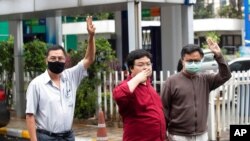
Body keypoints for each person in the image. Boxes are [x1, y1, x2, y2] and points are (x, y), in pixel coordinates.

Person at [25, 16, 96, 141]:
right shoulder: (36, 84)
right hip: (46, 137)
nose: (56, 61)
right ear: (46, 60)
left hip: (68, 136)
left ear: (65, 60)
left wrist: (91, 36)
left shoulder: (71, 76)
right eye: (53, 58)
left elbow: (89, 59)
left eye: (60, 58)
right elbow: (30, 116)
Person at [161, 39, 231, 141]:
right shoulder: (171, 82)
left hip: (201, 135)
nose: (193, 63)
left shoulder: (206, 79)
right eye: (189, 61)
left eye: (197, 61)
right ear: (182, 60)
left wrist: (219, 55)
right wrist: (164, 135)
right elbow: (164, 110)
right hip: (178, 136)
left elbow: (225, 75)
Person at [113, 49, 166, 141]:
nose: (146, 67)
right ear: (131, 68)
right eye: (140, 65)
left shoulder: (149, 85)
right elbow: (118, 95)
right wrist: (137, 79)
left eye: (148, 64)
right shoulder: (129, 85)